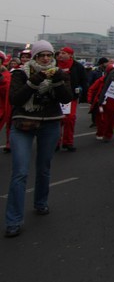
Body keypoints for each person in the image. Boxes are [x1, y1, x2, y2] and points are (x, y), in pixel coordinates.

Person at [4, 40, 73, 238]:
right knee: (20, 172)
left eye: (48, 55)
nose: (45, 59)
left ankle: (41, 202)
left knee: (44, 167)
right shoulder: (20, 73)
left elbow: (66, 99)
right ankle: (13, 220)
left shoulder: (60, 74)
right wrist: (35, 80)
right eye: (41, 55)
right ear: (34, 57)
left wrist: (59, 81)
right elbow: (15, 100)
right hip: (23, 124)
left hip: (50, 123)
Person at [56, 46, 87, 152]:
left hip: (71, 97)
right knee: (57, 120)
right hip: (56, 97)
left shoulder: (77, 67)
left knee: (69, 119)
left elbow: (83, 81)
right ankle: (55, 142)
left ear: (70, 55)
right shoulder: (54, 65)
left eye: (64, 53)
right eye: (60, 53)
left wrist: (84, 95)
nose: (61, 55)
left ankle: (68, 142)